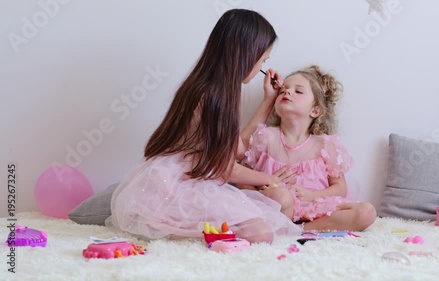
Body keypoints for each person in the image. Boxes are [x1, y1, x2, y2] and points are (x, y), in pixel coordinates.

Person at [106, 9, 301, 243]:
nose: (262, 65)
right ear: (246, 53)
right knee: (260, 232)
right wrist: (270, 178)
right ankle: (165, 227)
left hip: (189, 181)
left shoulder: (217, 89)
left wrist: (268, 100)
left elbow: (238, 149)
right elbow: (226, 169)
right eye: (263, 59)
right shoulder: (212, 97)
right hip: (177, 187)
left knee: (268, 216)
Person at [239, 65, 377, 232]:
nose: (287, 92)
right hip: (277, 207)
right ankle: (284, 225)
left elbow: (340, 188)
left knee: (366, 212)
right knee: (282, 196)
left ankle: (301, 230)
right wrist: (264, 189)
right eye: (283, 90)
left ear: (315, 110)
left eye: (298, 91)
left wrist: (312, 196)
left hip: (315, 210)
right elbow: (242, 178)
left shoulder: (325, 145)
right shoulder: (265, 137)